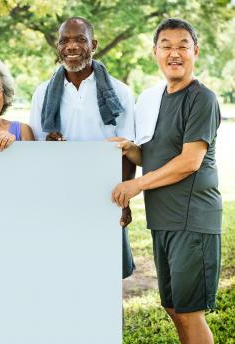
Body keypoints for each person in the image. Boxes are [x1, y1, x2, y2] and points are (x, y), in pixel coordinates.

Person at [111, 18, 222, 344]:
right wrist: (128, 148)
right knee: (174, 308)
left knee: (190, 313)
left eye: (182, 46)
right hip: (163, 221)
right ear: (155, 52)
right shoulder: (154, 99)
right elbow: (152, 156)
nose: (175, 53)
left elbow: (189, 162)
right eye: (167, 46)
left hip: (192, 222)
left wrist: (136, 185)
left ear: (195, 52)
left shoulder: (202, 98)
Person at [29, 17, 136, 278]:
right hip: (58, 196)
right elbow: (34, 150)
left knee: (107, 275)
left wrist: (123, 201)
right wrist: (48, 145)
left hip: (105, 196)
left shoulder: (120, 93)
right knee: (62, 270)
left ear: (94, 44)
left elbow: (129, 151)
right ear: (58, 47)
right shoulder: (42, 94)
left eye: (80, 39)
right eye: (65, 40)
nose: (72, 46)